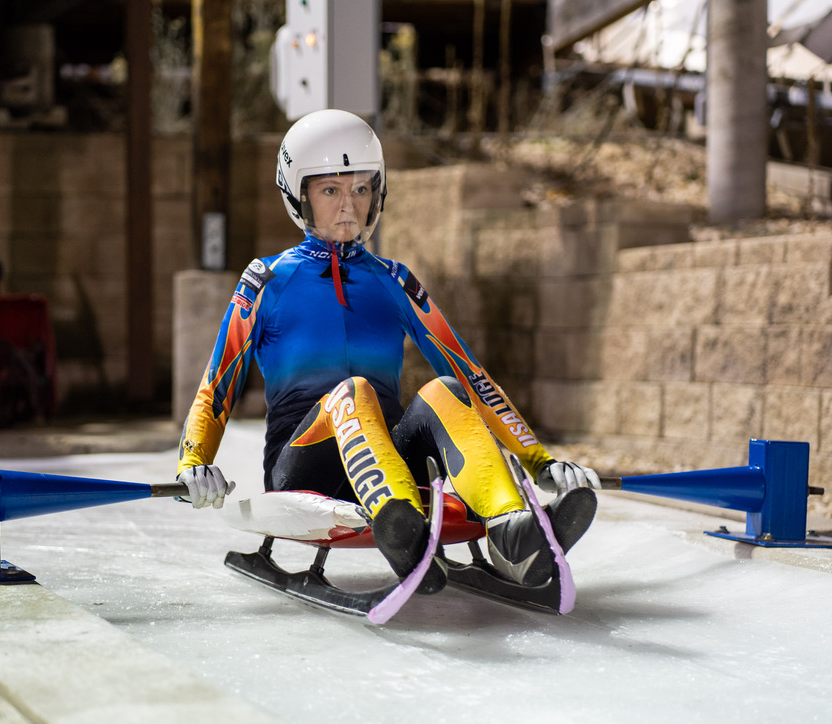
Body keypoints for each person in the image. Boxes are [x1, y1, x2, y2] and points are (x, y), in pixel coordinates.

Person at [177, 109, 600, 595]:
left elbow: (469, 372)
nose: (348, 206)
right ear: (298, 195)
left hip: (388, 458)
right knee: (353, 392)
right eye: (330, 190)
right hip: (305, 465)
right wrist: (194, 462)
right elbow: (217, 386)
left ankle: (515, 533)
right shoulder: (267, 280)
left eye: (361, 188)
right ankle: (403, 530)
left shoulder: (396, 280)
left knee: (447, 388)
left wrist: (540, 462)